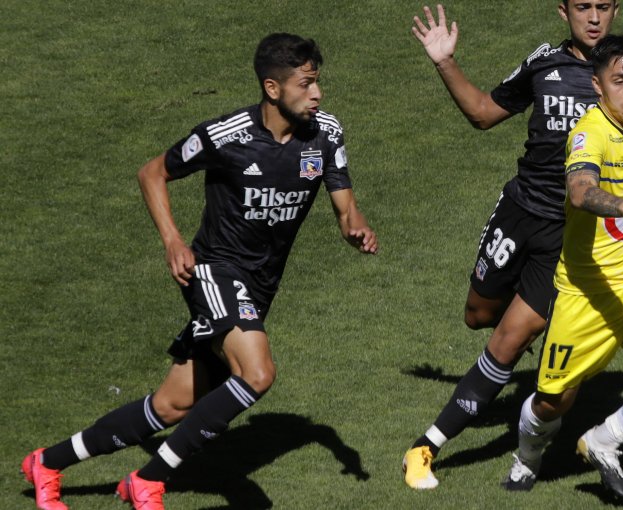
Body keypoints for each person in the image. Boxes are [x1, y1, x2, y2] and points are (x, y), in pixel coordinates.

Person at [403, 0, 623, 490]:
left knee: (510, 339)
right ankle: (527, 335)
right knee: (479, 316)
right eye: (583, 7)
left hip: (574, 241)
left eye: (604, 7)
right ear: (563, 11)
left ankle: (431, 447)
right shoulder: (544, 62)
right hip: (522, 211)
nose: (594, 18)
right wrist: (444, 60)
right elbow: (484, 115)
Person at [20, 33, 378, 510]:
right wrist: (172, 240)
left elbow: (345, 209)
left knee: (171, 406)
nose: (318, 94)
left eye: (318, 83)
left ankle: (46, 462)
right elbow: (153, 173)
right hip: (214, 271)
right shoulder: (226, 135)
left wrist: (356, 229)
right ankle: (147, 481)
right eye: (307, 84)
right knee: (256, 373)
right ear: (273, 89)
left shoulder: (326, 132)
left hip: (260, 285)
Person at [501, 34, 623, 501]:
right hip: (586, 292)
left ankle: (603, 441)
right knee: (553, 400)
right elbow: (579, 191)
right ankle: (527, 457)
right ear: (597, 86)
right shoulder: (588, 133)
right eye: (619, 82)